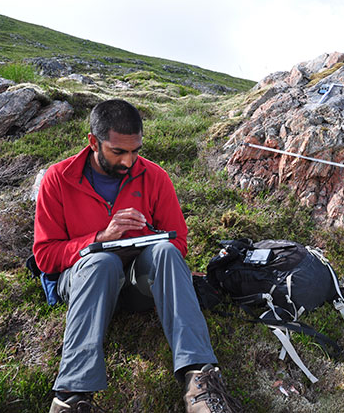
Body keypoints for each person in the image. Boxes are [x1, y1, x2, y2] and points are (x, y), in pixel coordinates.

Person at [33, 99, 238, 413]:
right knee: (101, 261)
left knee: (167, 251)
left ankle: (201, 381)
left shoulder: (154, 177)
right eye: (118, 152)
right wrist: (101, 239)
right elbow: (46, 256)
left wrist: (144, 241)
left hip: (137, 284)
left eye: (135, 150)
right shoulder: (58, 179)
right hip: (86, 283)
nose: (129, 161)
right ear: (93, 142)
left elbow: (178, 240)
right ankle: (71, 399)